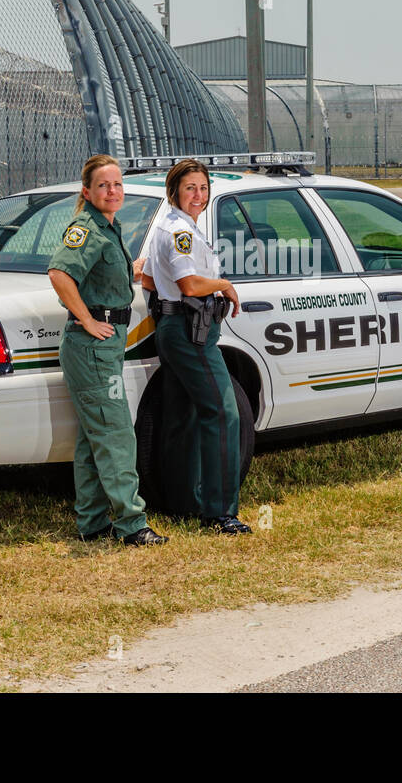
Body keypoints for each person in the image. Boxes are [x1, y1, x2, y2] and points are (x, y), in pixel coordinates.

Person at [47, 155, 167, 546]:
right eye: (103, 185)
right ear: (87, 192)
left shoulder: (109, 227)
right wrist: (84, 318)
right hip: (91, 347)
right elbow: (60, 273)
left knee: (92, 438)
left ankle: (94, 523)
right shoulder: (86, 228)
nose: (112, 191)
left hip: (106, 346)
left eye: (116, 184)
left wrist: (133, 270)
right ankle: (133, 525)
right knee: (116, 434)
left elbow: (104, 273)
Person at [140, 159, 250, 534]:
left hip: (177, 327)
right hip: (192, 331)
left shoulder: (170, 227)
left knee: (182, 416)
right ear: (174, 191)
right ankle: (220, 513)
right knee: (223, 413)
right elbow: (189, 285)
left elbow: (151, 279)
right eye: (190, 188)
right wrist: (224, 286)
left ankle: (183, 502)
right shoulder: (180, 233)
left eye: (203, 188)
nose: (198, 196)